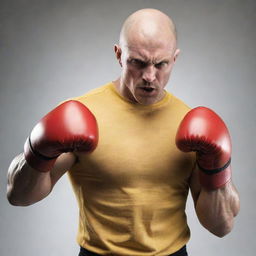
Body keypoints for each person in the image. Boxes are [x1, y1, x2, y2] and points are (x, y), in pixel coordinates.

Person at [7, 8, 240, 256]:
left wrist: (216, 168)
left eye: (161, 64)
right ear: (119, 55)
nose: (150, 76)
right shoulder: (83, 114)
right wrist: (37, 150)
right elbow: (20, 196)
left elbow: (221, 226)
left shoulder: (191, 122)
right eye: (137, 63)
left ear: (175, 59)